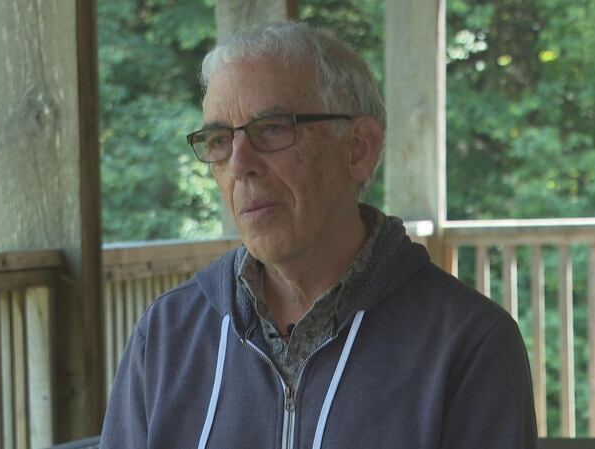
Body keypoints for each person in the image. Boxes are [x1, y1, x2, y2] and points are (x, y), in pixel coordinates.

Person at [100, 21, 537, 449]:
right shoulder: (166, 336)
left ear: (359, 148)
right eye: (218, 140)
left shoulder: (468, 344)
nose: (239, 164)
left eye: (272, 128)